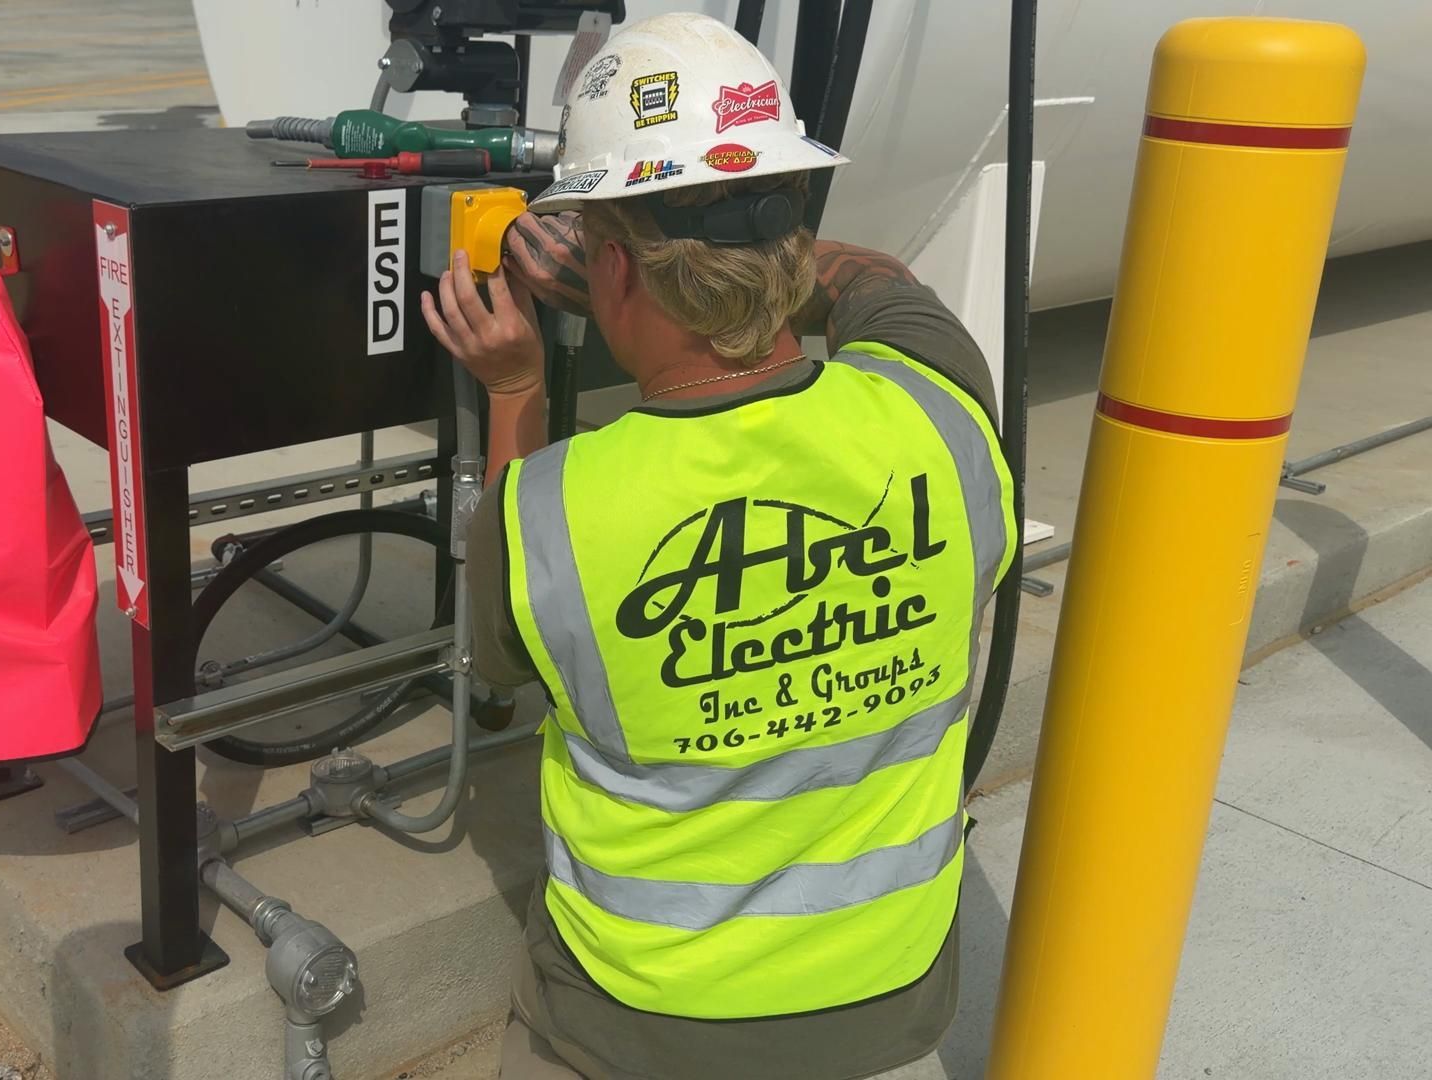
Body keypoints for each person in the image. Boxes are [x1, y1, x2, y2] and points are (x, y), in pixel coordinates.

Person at [418, 13, 1017, 1080]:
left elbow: (503, 663)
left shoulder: (553, 511)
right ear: (791, 237)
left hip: (642, 1026)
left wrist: (513, 388)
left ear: (614, 272)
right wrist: (735, 248)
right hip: (892, 996)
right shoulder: (942, 411)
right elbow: (880, 283)